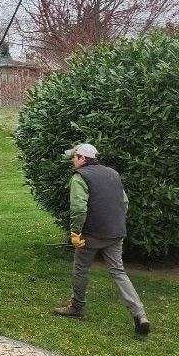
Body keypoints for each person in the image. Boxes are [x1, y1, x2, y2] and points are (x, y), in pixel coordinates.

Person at [54, 143, 150, 336]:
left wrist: (75, 233)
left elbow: (79, 207)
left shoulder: (79, 177)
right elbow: (124, 202)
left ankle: (77, 307)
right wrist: (114, 223)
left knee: (81, 268)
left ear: (82, 158)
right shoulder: (112, 173)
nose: (72, 160)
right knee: (118, 272)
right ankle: (140, 314)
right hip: (116, 232)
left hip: (91, 234)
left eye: (74, 157)